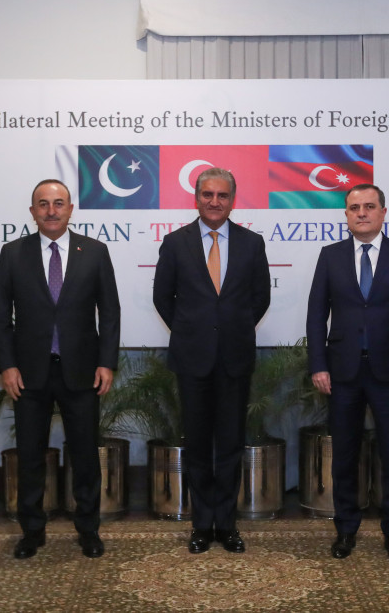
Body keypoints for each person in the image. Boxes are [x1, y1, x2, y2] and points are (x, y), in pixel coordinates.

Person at [0, 179, 121, 559]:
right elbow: (0, 318)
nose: (51, 210)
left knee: (84, 456)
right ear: (32, 211)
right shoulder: (13, 254)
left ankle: (89, 531)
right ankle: (31, 531)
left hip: (82, 371)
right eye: (43, 204)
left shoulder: (94, 252)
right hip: (29, 374)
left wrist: (106, 362)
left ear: (70, 209)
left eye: (58, 203)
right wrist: (7, 366)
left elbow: (109, 313)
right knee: (30, 457)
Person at [306, 183, 389, 562]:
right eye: (354, 207)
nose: (361, 213)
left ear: (383, 212)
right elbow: (315, 315)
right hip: (342, 372)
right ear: (345, 215)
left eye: (369, 206)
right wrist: (318, 365)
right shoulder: (330, 256)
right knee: (344, 455)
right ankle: (345, 530)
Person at [153, 167, 271, 554]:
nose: (214, 201)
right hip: (192, 361)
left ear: (232, 200)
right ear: (196, 198)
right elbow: (162, 299)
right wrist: (193, 332)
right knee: (199, 446)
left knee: (231, 446)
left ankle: (228, 524)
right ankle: (202, 525)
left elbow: (260, 299)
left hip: (235, 360)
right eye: (207, 194)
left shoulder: (252, 243)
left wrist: (229, 330)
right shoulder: (175, 243)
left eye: (222, 195)